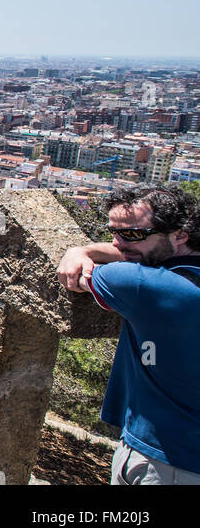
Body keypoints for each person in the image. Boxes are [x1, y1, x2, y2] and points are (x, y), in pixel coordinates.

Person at [57, 184, 200, 485]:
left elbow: (95, 271)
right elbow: (133, 253)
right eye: (113, 232)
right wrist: (131, 241)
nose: (118, 243)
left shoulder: (144, 286)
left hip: (167, 459)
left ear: (180, 235)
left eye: (133, 234)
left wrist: (79, 250)